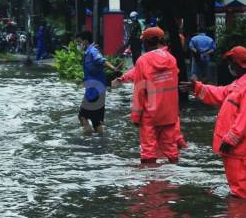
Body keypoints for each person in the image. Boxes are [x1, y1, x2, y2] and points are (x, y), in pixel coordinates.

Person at [180, 46, 246, 198]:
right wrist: (197, 88)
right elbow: (219, 93)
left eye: (231, 62)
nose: (230, 66)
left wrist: (231, 138)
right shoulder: (238, 84)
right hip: (235, 150)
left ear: (238, 64)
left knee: (240, 192)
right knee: (238, 190)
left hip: (238, 149)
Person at [127, 27, 180, 164]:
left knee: (148, 153)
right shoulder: (171, 59)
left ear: (146, 42)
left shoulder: (142, 61)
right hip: (169, 114)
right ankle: (174, 183)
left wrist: (135, 117)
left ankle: (151, 183)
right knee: (171, 152)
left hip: (150, 114)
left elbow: (139, 90)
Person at [76, 31, 118, 135]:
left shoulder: (92, 51)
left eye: (79, 42)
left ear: (85, 41)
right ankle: (100, 143)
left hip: (94, 91)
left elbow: (101, 60)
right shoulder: (89, 51)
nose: (78, 45)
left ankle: (87, 142)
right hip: (97, 90)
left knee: (82, 116)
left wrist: (113, 68)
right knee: (96, 121)